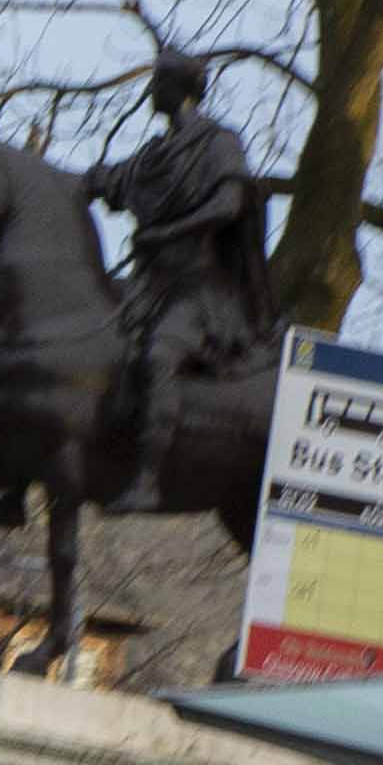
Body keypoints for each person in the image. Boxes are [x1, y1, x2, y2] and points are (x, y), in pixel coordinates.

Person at [90, 54, 268, 509]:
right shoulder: (154, 154)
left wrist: (169, 230)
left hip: (200, 289)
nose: (150, 92)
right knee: (85, 336)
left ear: (179, 89)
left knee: (159, 355)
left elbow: (229, 204)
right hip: (149, 284)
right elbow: (109, 181)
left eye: (156, 83)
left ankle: (148, 479)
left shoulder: (219, 143)